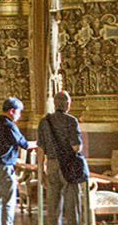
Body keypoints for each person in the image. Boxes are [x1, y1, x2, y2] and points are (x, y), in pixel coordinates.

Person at [36, 92, 85, 225]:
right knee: (71, 204)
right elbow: (76, 146)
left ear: (54, 104)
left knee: (53, 205)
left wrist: (41, 171)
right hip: (68, 165)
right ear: (68, 104)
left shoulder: (44, 122)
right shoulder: (71, 121)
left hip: (51, 164)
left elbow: (40, 150)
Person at [0, 97, 32, 225]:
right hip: (5, 167)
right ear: (11, 111)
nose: (19, 116)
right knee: (9, 202)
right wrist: (38, 143)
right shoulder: (9, 126)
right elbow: (24, 144)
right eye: (19, 112)